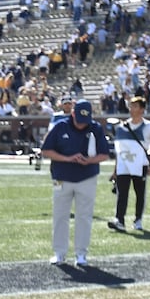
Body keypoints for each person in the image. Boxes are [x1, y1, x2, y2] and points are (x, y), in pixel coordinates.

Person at [42, 99, 110, 265]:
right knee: (60, 215)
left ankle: (81, 254)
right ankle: (59, 252)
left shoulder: (96, 128)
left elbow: (105, 154)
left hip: (87, 177)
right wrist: (67, 158)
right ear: (72, 113)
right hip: (60, 177)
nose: (81, 125)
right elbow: (46, 150)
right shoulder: (60, 127)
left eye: (84, 121)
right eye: (79, 120)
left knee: (84, 216)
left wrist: (89, 161)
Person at [106, 95, 150, 232]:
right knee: (122, 193)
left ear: (142, 109)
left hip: (140, 165)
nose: (131, 109)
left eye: (135, 106)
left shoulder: (149, 127)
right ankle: (119, 220)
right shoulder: (122, 127)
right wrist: (115, 170)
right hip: (123, 166)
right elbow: (120, 150)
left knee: (139, 193)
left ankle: (138, 219)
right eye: (130, 106)